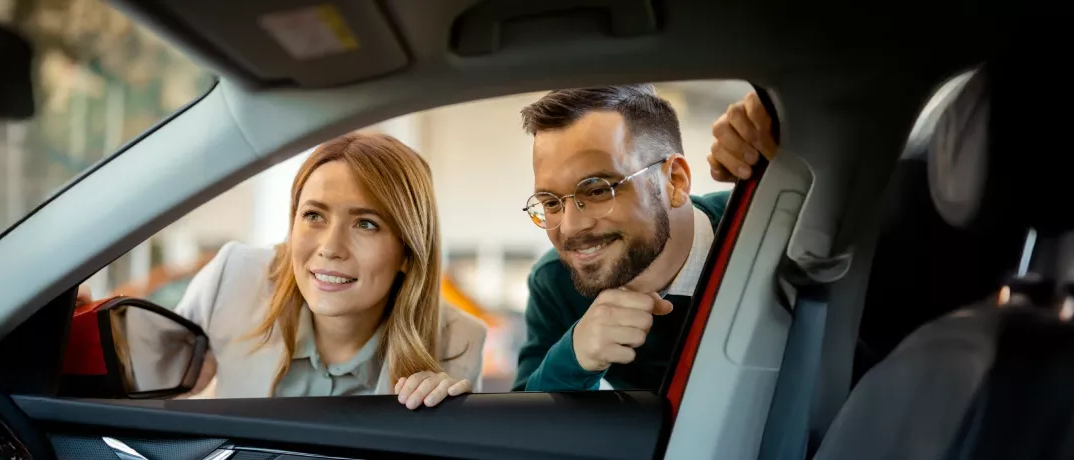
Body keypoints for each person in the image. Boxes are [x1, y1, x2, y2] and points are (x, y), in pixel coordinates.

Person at [109, 133, 487, 409]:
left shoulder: (457, 342)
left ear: (408, 251)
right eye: (314, 216)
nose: (330, 248)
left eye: (366, 224)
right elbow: (145, 378)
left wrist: (446, 417)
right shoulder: (234, 277)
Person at [513, 85, 776, 392]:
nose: (570, 228)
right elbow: (526, 427)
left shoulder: (765, 227)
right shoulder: (556, 282)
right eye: (550, 203)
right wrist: (571, 360)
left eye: (597, 190)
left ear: (675, 182)